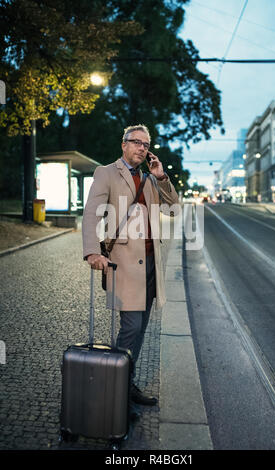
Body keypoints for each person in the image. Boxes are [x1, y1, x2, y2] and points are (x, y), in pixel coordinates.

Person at [82, 124, 179, 417]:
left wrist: (162, 176)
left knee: (140, 331)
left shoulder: (151, 179)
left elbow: (174, 208)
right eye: (136, 142)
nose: (141, 147)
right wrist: (91, 251)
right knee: (131, 328)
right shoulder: (106, 173)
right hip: (124, 264)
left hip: (150, 266)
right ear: (123, 144)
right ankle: (115, 392)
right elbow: (91, 214)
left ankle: (128, 384)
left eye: (146, 143)